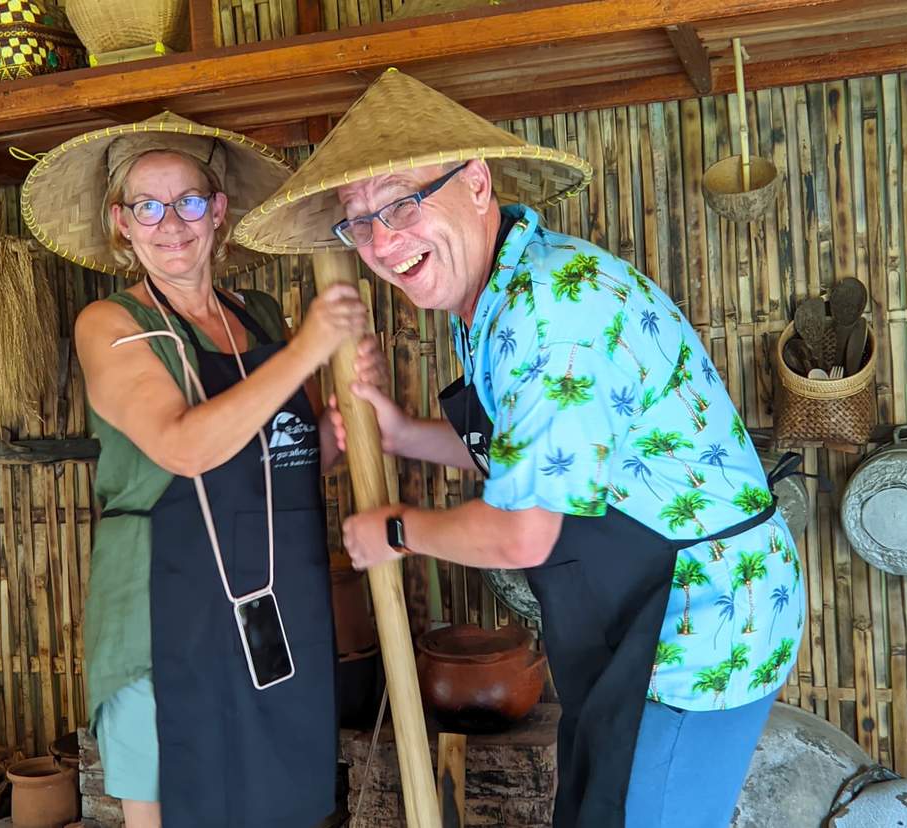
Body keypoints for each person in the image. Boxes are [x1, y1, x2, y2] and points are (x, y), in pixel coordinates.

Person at [235, 70, 807, 827]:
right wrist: (402, 431)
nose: (380, 240)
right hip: (638, 611)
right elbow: (536, 456)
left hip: (699, 622)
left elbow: (518, 529)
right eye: (358, 221)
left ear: (475, 183)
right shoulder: (489, 295)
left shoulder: (548, 310)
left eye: (402, 203)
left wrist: (397, 531)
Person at [22, 113, 381, 828]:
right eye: (146, 207)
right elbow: (184, 449)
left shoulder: (264, 321)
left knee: (274, 792)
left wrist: (341, 422)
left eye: (187, 201)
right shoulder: (111, 323)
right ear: (121, 223)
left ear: (218, 211)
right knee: (167, 797)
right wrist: (308, 351)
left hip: (278, 597)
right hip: (165, 603)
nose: (169, 224)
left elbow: (296, 457)